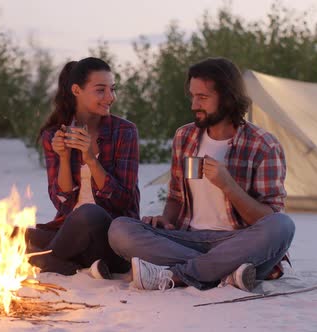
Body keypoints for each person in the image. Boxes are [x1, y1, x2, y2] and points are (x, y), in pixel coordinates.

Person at [108, 57, 295, 291]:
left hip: (238, 242)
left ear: (227, 98)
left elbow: (268, 218)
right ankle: (226, 273)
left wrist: (229, 186)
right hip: (188, 239)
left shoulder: (263, 145)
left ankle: (178, 275)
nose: (194, 104)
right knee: (120, 229)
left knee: (283, 225)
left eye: (203, 97)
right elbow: (176, 197)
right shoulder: (185, 137)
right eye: (193, 96)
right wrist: (166, 220)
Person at [27, 57, 140, 279]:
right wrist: (63, 157)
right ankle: (71, 262)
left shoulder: (125, 132)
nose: (110, 97)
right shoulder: (54, 134)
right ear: (76, 90)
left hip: (111, 237)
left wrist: (90, 158)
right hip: (70, 232)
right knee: (11, 235)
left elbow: (123, 201)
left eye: (112, 89)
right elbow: (63, 202)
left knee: (88, 213)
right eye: (101, 90)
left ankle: (50, 260)